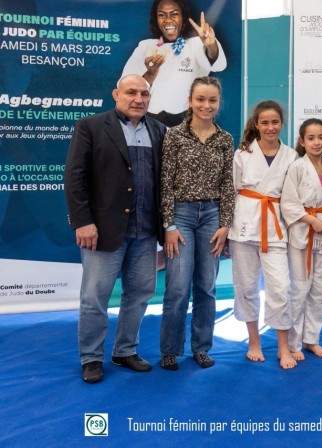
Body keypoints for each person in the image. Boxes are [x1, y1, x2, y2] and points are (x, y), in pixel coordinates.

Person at [64, 74, 166, 383]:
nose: (138, 98)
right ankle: (91, 357)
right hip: (103, 231)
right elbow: (74, 177)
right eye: (131, 92)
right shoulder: (91, 127)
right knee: (95, 296)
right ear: (115, 94)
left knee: (140, 294)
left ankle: (125, 350)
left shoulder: (159, 130)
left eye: (144, 94)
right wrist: (82, 221)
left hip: (146, 231)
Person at [158, 76, 235, 370]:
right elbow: (165, 182)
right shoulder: (174, 136)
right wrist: (169, 225)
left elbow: (228, 184)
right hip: (181, 216)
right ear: (190, 101)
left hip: (212, 217)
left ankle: (201, 347)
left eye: (212, 100)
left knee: (207, 287)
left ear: (218, 103)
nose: (206, 105)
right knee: (177, 287)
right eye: (200, 99)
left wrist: (225, 224)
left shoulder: (225, 139)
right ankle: (170, 350)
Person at [229, 101, 298, 369]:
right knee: (246, 287)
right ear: (256, 125)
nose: (270, 127)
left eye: (275, 122)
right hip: (243, 226)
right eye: (265, 122)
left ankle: (283, 346)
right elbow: (231, 191)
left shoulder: (291, 156)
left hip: (275, 227)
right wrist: (226, 228)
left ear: (282, 123)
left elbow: (294, 196)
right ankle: (254, 341)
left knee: (280, 288)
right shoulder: (242, 154)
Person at [280, 118, 322, 360]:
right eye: (311, 138)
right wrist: (312, 220)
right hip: (303, 231)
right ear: (302, 141)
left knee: (319, 289)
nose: (316, 142)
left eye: (320, 137)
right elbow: (288, 203)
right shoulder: (297, 167)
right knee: (299, 288)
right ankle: (293, 344)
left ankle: (312, 339)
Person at [122, 0, 227, 127]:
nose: (168, 19)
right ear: (156, 20)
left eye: (174, 14)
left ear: (183, 18)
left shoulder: (196, 44)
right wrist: (149, 75)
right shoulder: (145, 46)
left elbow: (218, 64)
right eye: (162, 15)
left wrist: (211, 45)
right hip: (149, 122)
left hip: (186, 123)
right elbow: (124, 85)